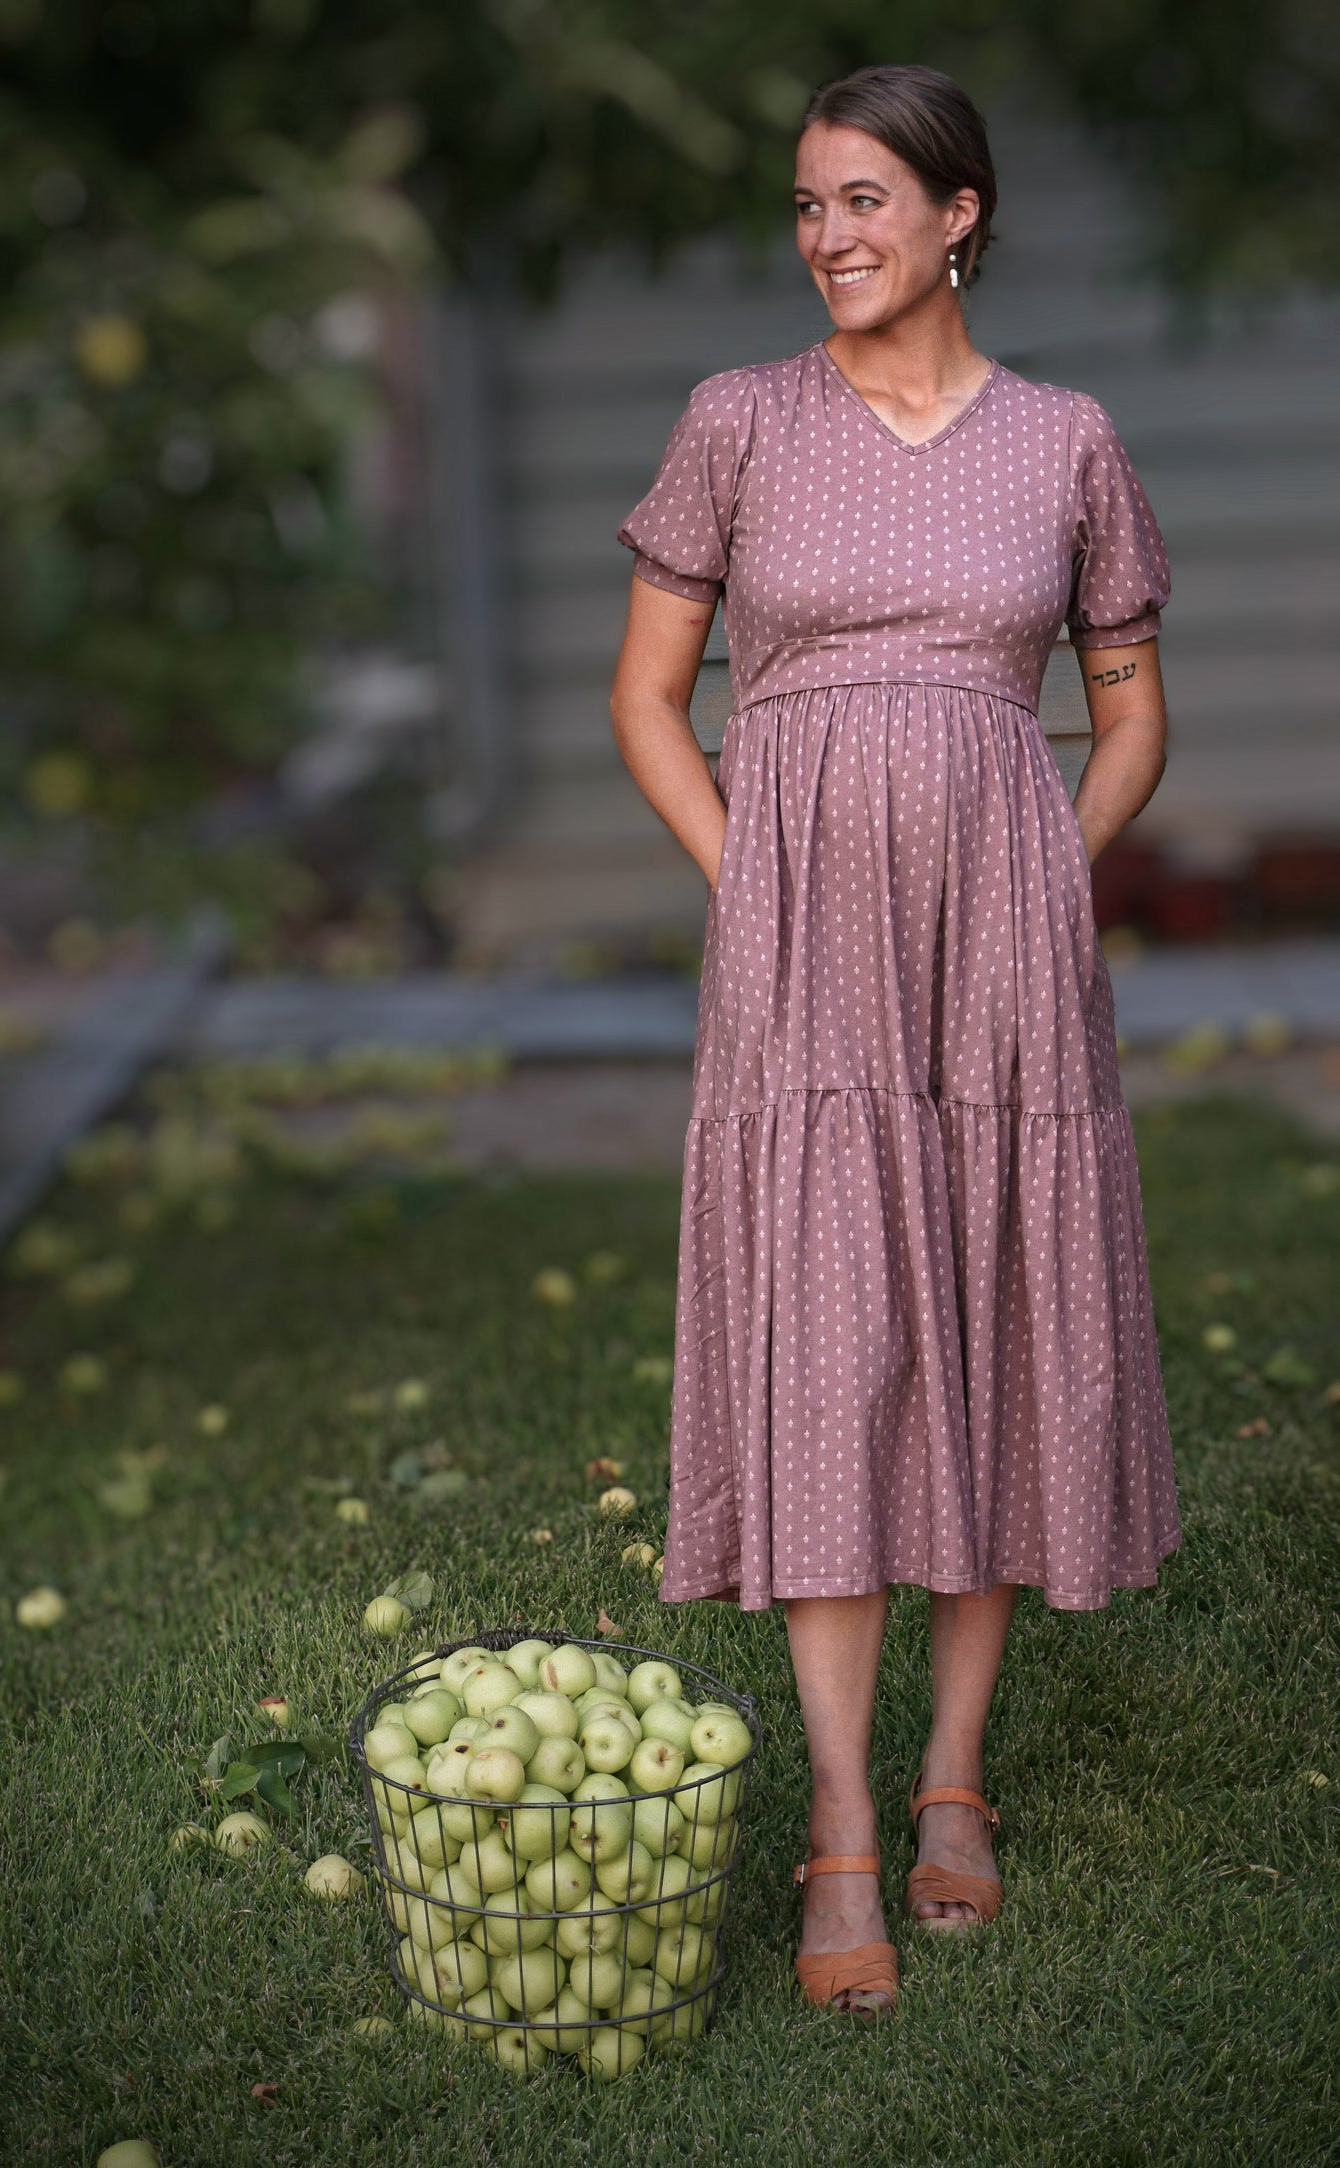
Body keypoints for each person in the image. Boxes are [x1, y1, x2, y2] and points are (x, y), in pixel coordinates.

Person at [608, 61, 1180, 2017]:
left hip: (1000, 954)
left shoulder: (1068, 442)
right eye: (807, 205)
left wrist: (1045, 868)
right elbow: (650, 699)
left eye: (866, 200)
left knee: (999, 1306)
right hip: (807, 957)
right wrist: (745, 876)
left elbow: (1125, 717)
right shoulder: (739, 424)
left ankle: (956, 1778)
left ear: (960, 215)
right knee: (839, 1322)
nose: (831, 236)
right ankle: (842, 1809)